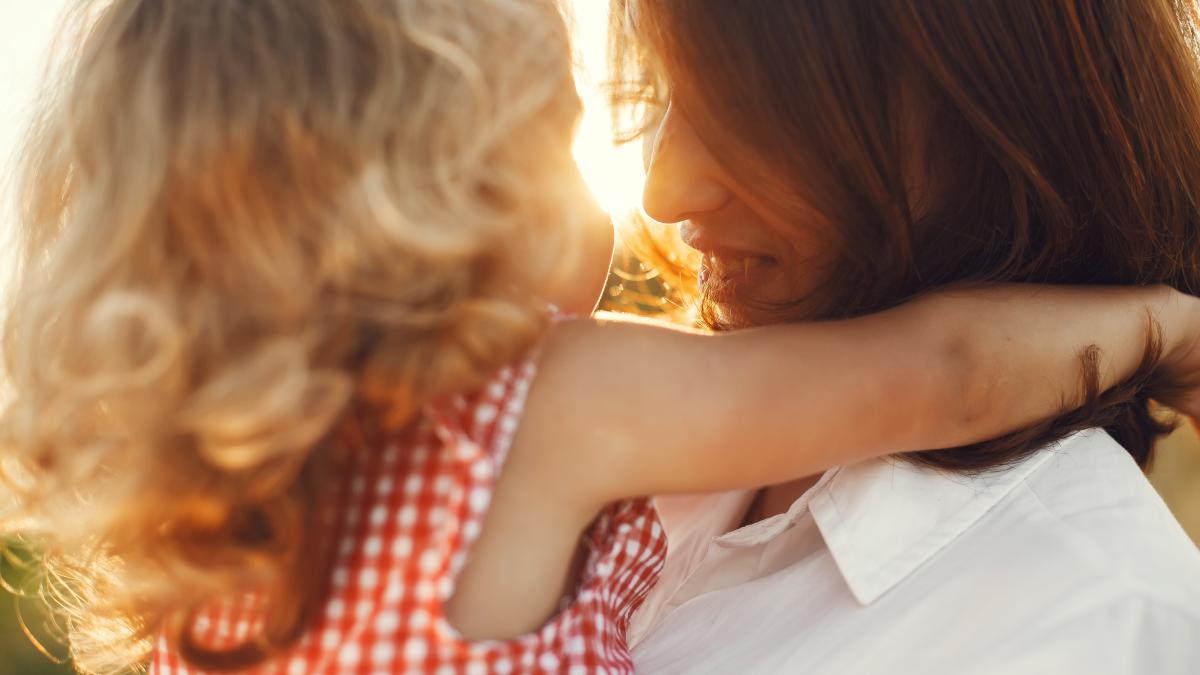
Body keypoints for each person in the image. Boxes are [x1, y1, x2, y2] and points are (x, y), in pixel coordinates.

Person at [3, 1, 1199, 674]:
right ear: (443, 203)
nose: (659, 190)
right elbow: (950, 375)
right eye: (565, 135)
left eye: (734, 112)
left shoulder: (228, 510)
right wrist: (1162, 325)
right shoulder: (559, 399)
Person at [610, 1, 1200, 672]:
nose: (663, 190)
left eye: (755, 98)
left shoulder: (1101, 620)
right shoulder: (625, 414)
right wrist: (1165, 326)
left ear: (1002, 105)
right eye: (662, 86)